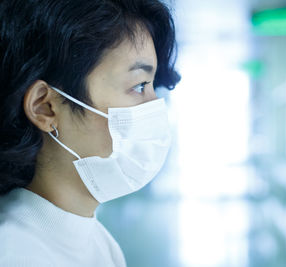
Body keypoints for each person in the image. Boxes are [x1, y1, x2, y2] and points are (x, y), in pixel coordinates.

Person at [0, 0, 180, 266]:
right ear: (45, 107)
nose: (154, 107)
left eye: (153, 87)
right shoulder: (13, 252)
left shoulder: (98, 242)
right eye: (139, 86)